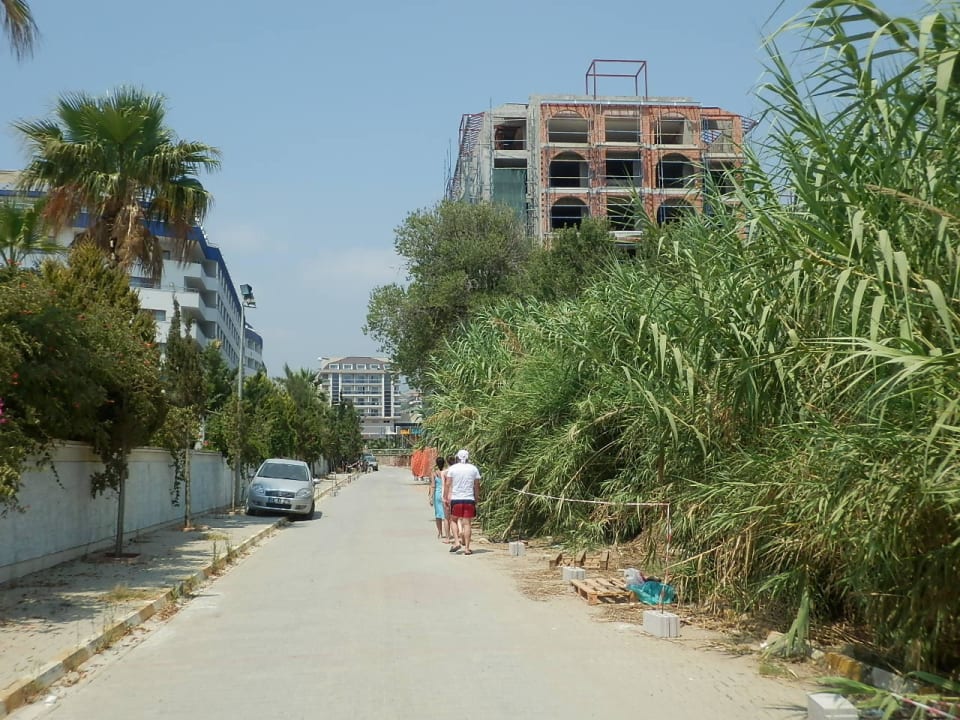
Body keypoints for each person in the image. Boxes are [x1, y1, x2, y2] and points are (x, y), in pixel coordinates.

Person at [446, 449, 481, 555]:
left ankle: (457, 542)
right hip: (469, 499)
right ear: (468, 457)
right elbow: (476, 485)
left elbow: (448, 483)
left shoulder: (452, 469)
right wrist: (476, 497)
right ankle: (467, 548)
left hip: (456, 498)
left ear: (457, 458)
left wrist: (446, 497)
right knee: (467, 524)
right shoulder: (473, 469)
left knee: (453, 520)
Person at [428, 456, 449, 541]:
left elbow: (433, 486)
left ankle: (440, 532)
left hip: (437, 495)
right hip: (445, 494)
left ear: (436, 464)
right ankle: (448, 533)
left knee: (438, 515)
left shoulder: (434, 473)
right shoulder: (447, 472)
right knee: (446, 515)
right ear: (444, 463)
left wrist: (431, 497)